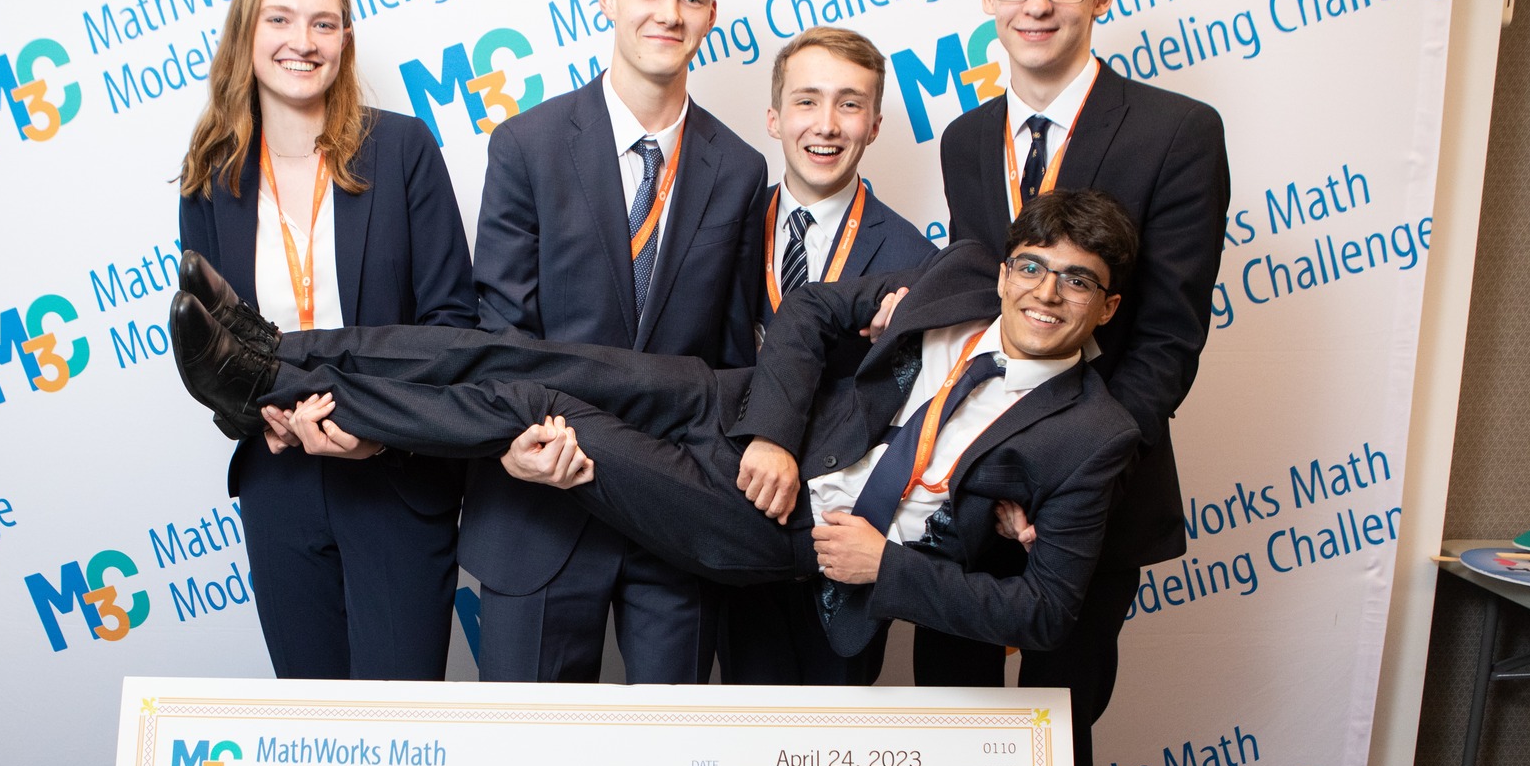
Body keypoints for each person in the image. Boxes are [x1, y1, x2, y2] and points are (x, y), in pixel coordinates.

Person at [172, 189, 1143, 674]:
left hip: (772, 525)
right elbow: (805, 316)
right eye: (1032, 267)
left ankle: (256, 384)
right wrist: (767, 428)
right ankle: (279, 353)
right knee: (522, 356)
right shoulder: (962, 275)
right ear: (1007, 263)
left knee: (530, 410)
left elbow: (1047, 616)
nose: (1043, 293)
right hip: (741, 412)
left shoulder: (1089, 435)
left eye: (1075, 281)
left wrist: (880, 569)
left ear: (1106, 307)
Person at [934, 0, 1230, 766]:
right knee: (953, 712)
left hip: (1098, 485)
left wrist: (1060, 483)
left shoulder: (1177, 131)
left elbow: (1166, 343)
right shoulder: (966, 138)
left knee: (1062, 718)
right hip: (969, 478)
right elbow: (985, 317)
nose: (1038, 4)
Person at [460, 0, 769, 685]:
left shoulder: (738, 171)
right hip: (543, 498)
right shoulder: (526, 146)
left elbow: (729, 363)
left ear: (711, 13)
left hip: (674, 519)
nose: (668, 13)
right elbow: (499, 329)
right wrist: (521, 442)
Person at [175, 0, 476, 680]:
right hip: (280, 488)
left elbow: (451, 326)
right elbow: (207, 344)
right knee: (316, 741)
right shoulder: (211, 178)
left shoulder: (403, 150)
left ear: (345, 40)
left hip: (394, 479)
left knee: (399, 738)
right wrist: (261, 417)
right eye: (280, 19)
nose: (301, 42)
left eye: (323, 23)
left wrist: (373, 431)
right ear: (247, 34)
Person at [720, 27, 938, 686]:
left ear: (874, 123)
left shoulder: (915, 263)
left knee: (834, 736)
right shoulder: (719, 230)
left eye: (849, 104)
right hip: (730, 512)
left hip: (840, 543)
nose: (826, 124)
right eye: (807, 101)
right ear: (774, 117)